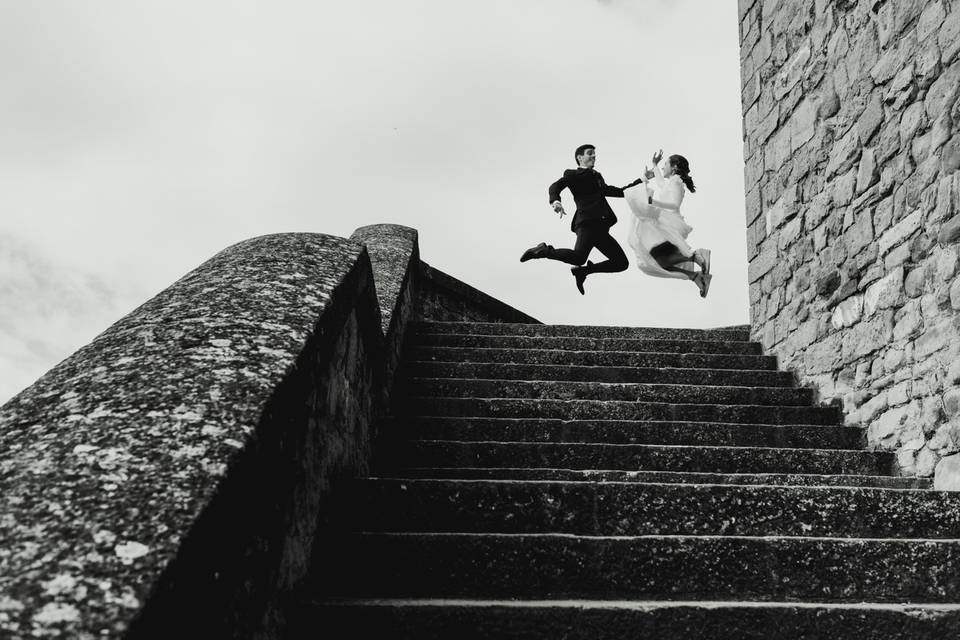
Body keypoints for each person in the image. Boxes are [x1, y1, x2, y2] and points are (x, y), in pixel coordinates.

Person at [520, 144, 642, 294]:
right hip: (587, 223)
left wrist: (642, 179)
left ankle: (583, 272)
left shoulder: (597, 176)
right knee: (578, 258)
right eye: (589, 153)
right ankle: (543, 251)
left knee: (621, 263)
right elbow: (555, 186)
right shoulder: (572, 174)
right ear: (580, 158)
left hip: (601, 227)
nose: (593, 156)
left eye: (594, 154)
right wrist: (555, 201)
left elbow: (619, 192)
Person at [624, 149, 712, 297]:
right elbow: (660, 182)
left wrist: (652, 201)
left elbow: (674, 204)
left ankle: (695, 256)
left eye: (665, 164)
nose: (664, 167)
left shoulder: (677, 181)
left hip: (668, 224)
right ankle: (695, 275)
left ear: (674, 167)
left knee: (654, 256)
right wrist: (655, 164)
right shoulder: (671, 182)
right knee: (660, 263)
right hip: (663, 222)